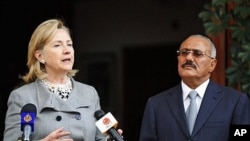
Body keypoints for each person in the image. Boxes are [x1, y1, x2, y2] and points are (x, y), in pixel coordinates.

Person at [3, 19, 121, 141]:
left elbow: (100, 138)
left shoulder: (89, 93)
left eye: (69, 44)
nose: (67, 50)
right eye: (57, 45)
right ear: (40, 56)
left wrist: (110, 139)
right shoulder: (22, 97)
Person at [139, 34, 250, 141]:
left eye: (197, 53)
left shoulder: (236, 102)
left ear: (212, 65)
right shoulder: (156, 104)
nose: (188, 58)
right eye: (184, 52)